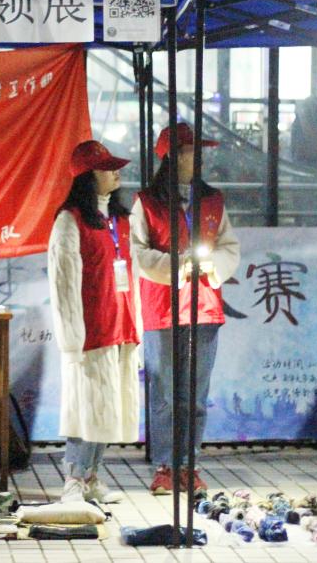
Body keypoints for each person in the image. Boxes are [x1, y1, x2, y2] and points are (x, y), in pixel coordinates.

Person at [131, 123, 240, 496]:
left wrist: (210, 265)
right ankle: (165, 466)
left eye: (198, 151)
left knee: (195, 395)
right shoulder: (147, 202)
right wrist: (177, 265)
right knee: (164, 393)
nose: (198, 158)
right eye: (191, 151)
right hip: (162, 307)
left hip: (203, 306)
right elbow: (138, 252)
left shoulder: (212, 200)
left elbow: (229, 246)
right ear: (172, 157)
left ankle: (189, 465)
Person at [48, 140, 139, 504]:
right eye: (107, 168)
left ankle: (91, 477)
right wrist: (71, 339)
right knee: (85, 407)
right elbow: (64, 283)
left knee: (108, 408)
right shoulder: (69, 221)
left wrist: (136, 323)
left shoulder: (119, 220)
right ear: (87, 176)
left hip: (121, 325)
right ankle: (72, 479)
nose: (116, 173)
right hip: (90, 331)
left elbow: (131, 275)